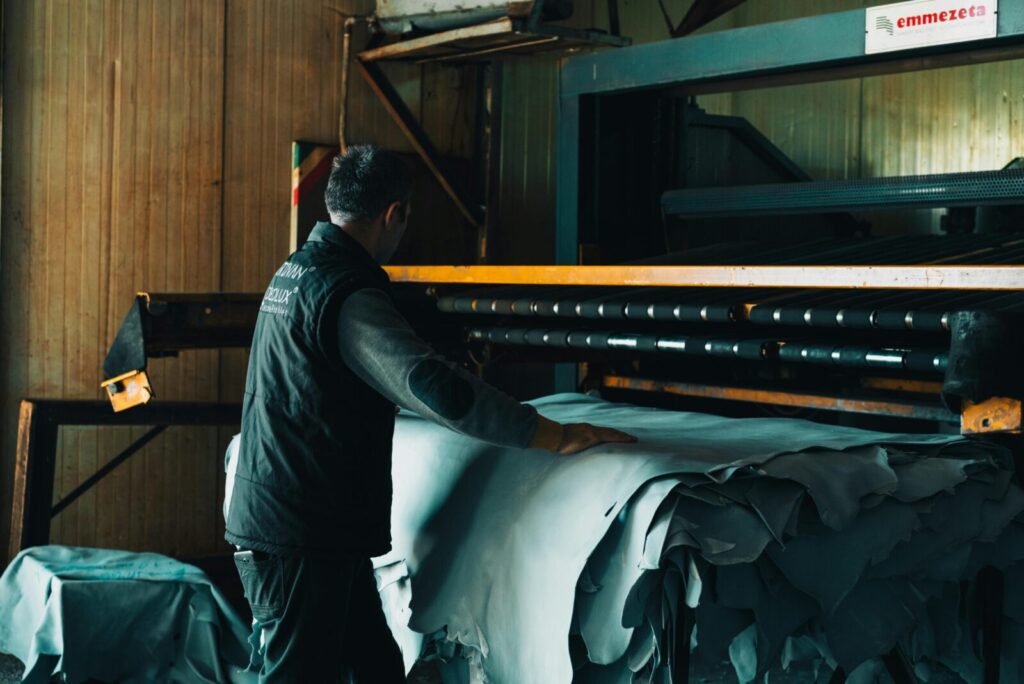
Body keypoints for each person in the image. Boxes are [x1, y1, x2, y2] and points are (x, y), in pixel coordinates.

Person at [225, 144, 637, 682]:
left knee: (375, 665)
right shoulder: (344, 293)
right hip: (300, 537)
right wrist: (551, 436)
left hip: (311, 526)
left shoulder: (298, 271)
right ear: (394, 214)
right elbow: (434, 387)